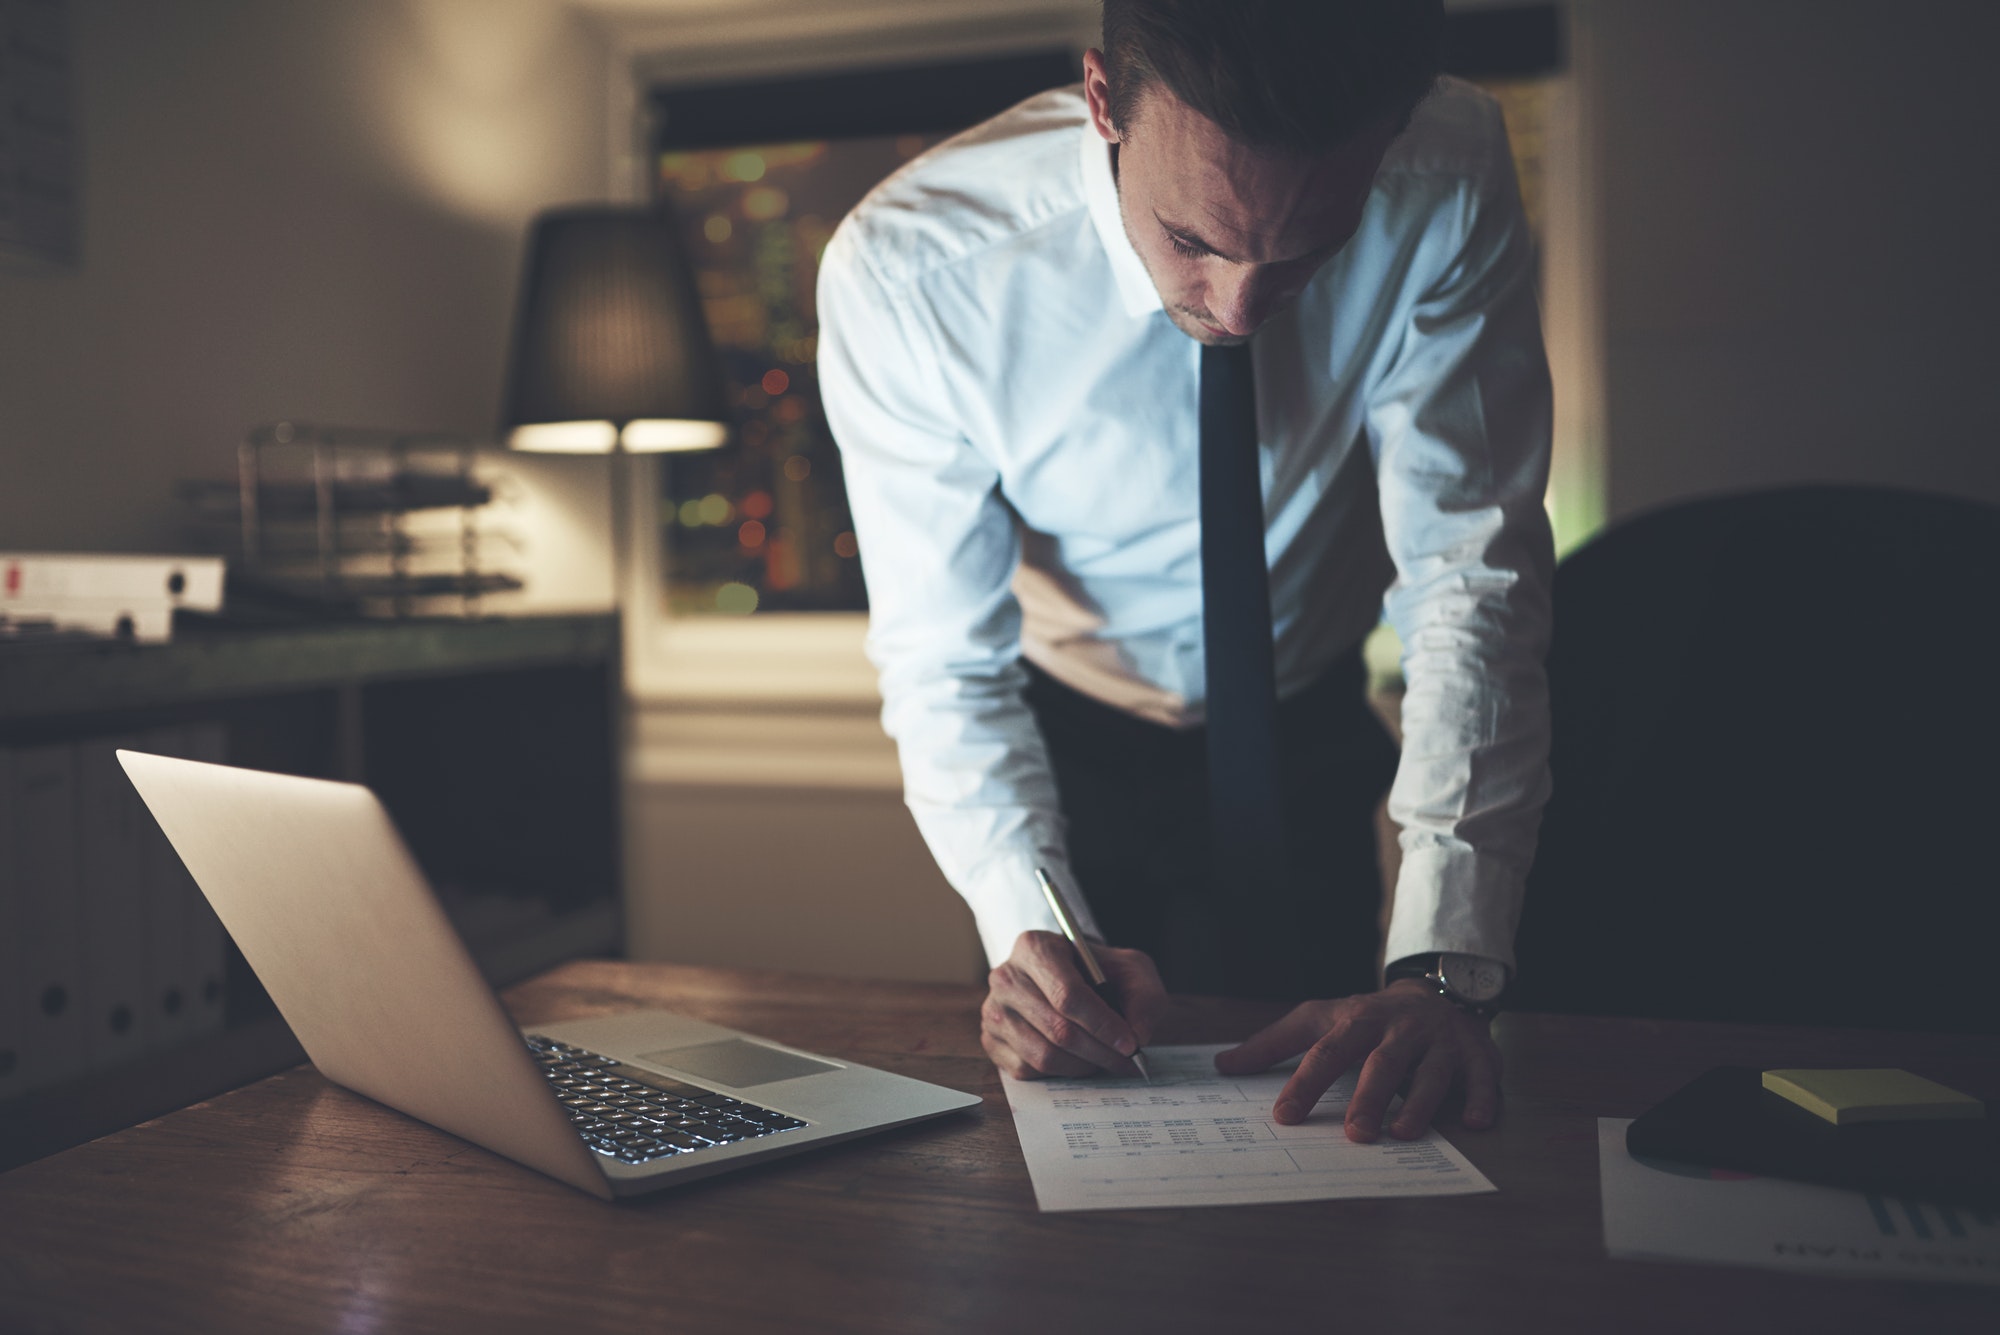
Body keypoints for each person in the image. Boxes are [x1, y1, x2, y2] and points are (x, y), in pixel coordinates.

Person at [816, 0, 1552, 1143]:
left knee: (1338, 1135)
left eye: (1310, 251)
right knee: (1066, 1128)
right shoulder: (914, 274)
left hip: (1303, 728)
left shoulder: (1446, 172)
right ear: (1103, 100)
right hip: (1070, 744)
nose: (1237, 309)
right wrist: (1026, 924)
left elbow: (1472, 577)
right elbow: (943, 660)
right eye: (1192, 241)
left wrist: (1445, 968)